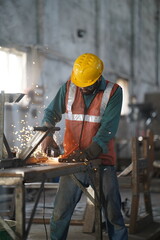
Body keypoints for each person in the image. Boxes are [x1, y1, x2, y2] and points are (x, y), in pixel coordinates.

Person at [41, 53, 128, 240]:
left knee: (113, 215)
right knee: (60, 213)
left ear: (97, 79)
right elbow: (50, 113)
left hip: (102, 162)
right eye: (79, 83)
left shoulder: (113, 92)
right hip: (74, 163)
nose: (82, 88)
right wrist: (47, 135)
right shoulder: (70, 88)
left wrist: (89, 153)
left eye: (86, 84)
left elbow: (108, 129)